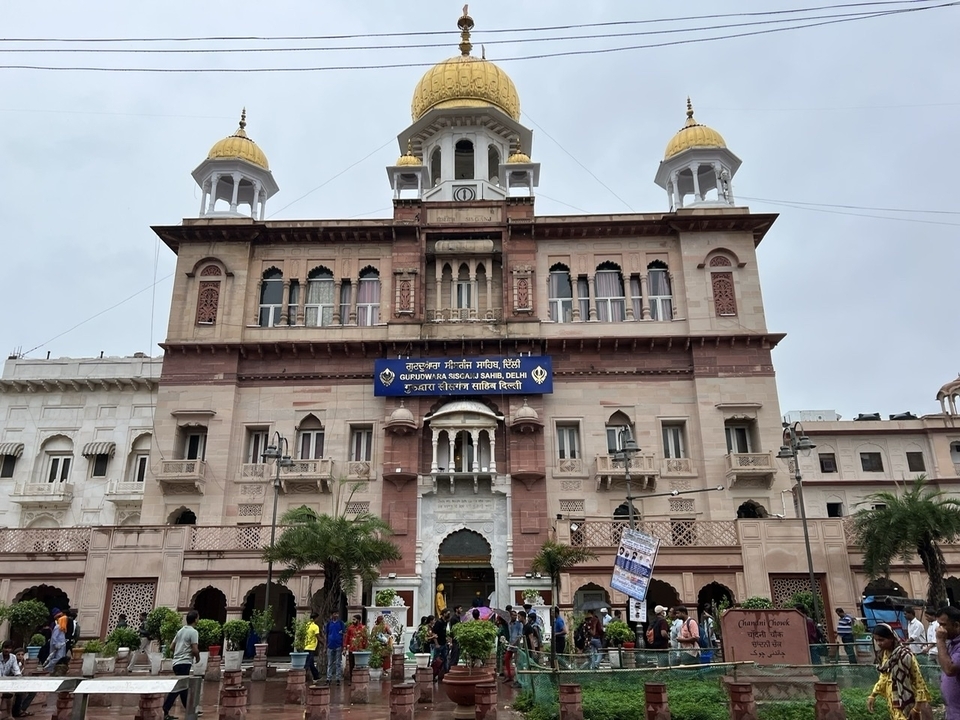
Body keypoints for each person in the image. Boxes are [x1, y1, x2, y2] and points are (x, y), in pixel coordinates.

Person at [868, 623, 930, 720]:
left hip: (907, 701)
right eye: (876, 640)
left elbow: (918, 681)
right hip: (893, 701)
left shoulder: (905, 655)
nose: (879, 643)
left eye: (881, 640)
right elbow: (884, 678)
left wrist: (917, 708)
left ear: (891, 638)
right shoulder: (884, 655)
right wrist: (873, 695)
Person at [162, 609, 200, 720]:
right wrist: (197, 657)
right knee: (179, 687)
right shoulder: (193, 632)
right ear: (196, 619)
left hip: (176, 662)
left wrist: (179, 653)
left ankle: (189, 709)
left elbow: (171, 647)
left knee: (183, 687)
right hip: (185, 662)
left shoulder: (180, 631)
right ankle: (165, 708)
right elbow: (195, 649)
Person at [935, 606, 960, 720]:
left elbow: (949, 669)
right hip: (953, 711)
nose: (940, 629)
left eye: (943, 625)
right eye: (939, 624)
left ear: (956, 625)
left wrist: (940, 641)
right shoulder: (951, 642)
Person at [0, 640, 35, 718]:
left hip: (9, 683)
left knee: (26, 691)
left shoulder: (12, 658)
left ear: (11, 649)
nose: (7, 650)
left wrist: (20, 679)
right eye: (5, 648)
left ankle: (12, 714)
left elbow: (16, 671)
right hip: (2, 682)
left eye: (9, 648)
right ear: (2, 648)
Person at [324, 611, 345, 685]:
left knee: (338, 663)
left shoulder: (341, 623)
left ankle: (338, 678)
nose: (336, 615)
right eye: (334, 613)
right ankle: (328, 678)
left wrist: (343, 646)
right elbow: (326, 635)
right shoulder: (329, 624)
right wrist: (325, 646)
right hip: (330, 645)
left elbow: (343, 635)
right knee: (330, 663)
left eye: (337, 613)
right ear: (332, 614)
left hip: (338, 645)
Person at [343, 615, 365, 682]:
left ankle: (359, 679)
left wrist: (365, 648)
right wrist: (345, 647)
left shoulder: (363, 628)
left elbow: (365, 639)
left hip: (359, 649)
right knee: (351, 665)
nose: (353, 621)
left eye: (354, 619)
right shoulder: (350, 628)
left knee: (359, 665)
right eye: (353, 619)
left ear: (358, 620)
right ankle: (351, 679)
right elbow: (347, 638)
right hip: (352, 649)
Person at [504, 609, 523, 687]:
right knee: (506, 658)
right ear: (510, 616)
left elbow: (520, 635)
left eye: (516, 615)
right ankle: (509, 676)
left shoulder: (519, 624)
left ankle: (517, 678)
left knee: (517, 662)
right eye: (513, 615)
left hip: (516, 645)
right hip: (510, 644)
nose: (515, 617)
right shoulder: (509, 623)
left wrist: (514, 643)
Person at [431, 610, 450, 680]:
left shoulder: (445, 622)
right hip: (439, 644)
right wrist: (436, 644)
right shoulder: (438, 623)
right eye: (447, 614)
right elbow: (434, 633)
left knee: (445, 659)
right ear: (443, 614)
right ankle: (433, 674)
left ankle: (446, 674)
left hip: (444, 644)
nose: (448, 615)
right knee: (435, 660)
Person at [304, 612, 320, 683]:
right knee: (308, 663)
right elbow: (318, 636)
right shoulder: (315, 626)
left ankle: (316, 676)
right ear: (316, 618)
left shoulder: (307, 625)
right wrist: (324, 643)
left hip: (306, 646)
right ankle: (305, 677)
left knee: (310, 663)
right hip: (311, 647)